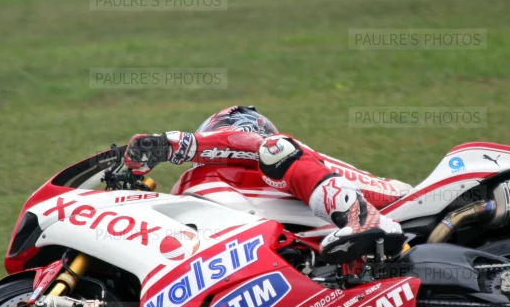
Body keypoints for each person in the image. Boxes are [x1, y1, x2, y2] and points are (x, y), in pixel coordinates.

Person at [123, 105, 406, 262]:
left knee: (274, 150)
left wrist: (175, 145)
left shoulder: (268, 151)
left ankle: (363, 217)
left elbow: (246, 144)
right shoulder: (200, 186)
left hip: (398, 203)